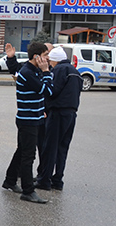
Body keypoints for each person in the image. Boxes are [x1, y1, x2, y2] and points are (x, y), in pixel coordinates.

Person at [2, 41, 53, 204]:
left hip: (34, 117)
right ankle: (28, 190)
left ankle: (10, 181)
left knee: (22, 151)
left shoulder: (31, 69)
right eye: (45, 56)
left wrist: (11, 58)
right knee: (28, 156)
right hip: (28, 120)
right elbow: (48, 91)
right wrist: (47, 71)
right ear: (37, 57)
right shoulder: (30, 72)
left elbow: (16, 67)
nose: (48, 59)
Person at [35, 45, 81, 191]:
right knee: (62, 148)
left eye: (50, 60)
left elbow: (52, 91)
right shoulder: (75, 72)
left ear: (55, 60)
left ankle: (44, 180)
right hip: (71, 114)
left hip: (57, 113)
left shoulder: (59, 70)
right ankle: (58, 180)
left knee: (50, 147)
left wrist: (45, 74)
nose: (49, 63)